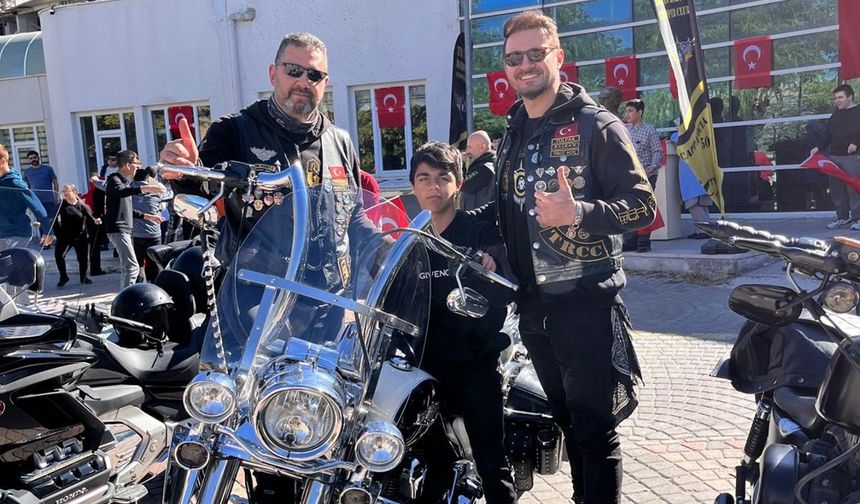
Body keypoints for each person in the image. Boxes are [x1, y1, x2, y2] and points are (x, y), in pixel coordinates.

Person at [492, 11, 654, 503]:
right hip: (533, 306)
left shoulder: (595, 124)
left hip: (584, 303)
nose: (525, 65)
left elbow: (643, 205)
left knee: (593, 430)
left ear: (558, 56)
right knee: (565, 420)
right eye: (514, 58)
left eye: (535, 54)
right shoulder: (514, 129)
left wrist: (579, 211)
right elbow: (506, 208)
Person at [160, 32, 375, 263]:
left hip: (330, 292)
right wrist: (186, 172)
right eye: (293, 70)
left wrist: (390, 252)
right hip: (256, 291)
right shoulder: (234, 130)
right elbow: (200, 192)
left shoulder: (340, 141)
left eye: (314, 74)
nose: (304, 82)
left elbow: (354, 217)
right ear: (273, 74)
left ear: (325, 82)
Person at [410, 141, 517, 504]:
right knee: (426, 462)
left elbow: (507, 287)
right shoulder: (409, 242)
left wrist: (492, 266)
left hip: (475, 363)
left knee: (492, 465)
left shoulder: (480, 233)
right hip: (423, 369)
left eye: (443, 178)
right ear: (413, 186)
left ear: (459, 183)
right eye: (424, 178)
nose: (433, 186)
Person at [102, 150, 164, 288]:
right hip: (118, 228)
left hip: (125, 228)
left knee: (129, 267)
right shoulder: (114, 180)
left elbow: (128, 209)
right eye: (136, 163)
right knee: (132, 267)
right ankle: (125, 301)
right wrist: (145, 188)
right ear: (127, 164)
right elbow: (121, 192)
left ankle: (124, 297)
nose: (138, 167)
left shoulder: (125, 182)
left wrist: (148, 216)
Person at [811, 84, 860, 230]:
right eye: (835, 98)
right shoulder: (836, 114)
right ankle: (843, 217)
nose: (837, 101)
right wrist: (818, 147)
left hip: (853, 157)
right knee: (837, 189)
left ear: (850, 97)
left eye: (840, 97)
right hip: (834, 157)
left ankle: (858, 218)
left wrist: (856, 143)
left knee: (854, 188)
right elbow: (828, 134)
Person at [622, 99, 663, 252]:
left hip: (647, 175)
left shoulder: (649, 130)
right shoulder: (626, 130)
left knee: (645, 206)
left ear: (640, 113)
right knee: (630, 205)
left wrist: (651, 167)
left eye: (631, 111)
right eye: (627, 111)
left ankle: (644, 241)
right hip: (629, 175)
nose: (628, 114)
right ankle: (630, 240)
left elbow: (657, 151)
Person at [0, 144, 53, 250]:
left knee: (9, 266)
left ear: (2, 161)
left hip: (16, 234)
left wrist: (47, 231)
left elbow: (37, 206)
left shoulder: (14, 183)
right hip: (3, 233)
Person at [54, 184, 99, 287]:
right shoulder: (61, 205)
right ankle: (63, 277)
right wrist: (58, 234)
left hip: (80, 236)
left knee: (83, 258)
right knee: (59, 255)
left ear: (74, 192)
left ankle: (84, 278)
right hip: (65, 236)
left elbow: (90, 219)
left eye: (67, 191)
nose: (65, 193)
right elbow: (54, 221)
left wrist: (96, 221)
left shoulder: (82, 206)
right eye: (63, 191)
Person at [131, 166, 164, 282]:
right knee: (154, 265)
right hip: (153, 234)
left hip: (136, 235)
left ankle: (139, 288)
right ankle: (155, 288)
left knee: (137, 265)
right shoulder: (156, 194)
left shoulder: (128, 194)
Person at [22, 150, 60, 228]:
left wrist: (56, 195)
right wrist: (28, 201)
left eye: (35, 157)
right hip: (37, 201)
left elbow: (55, 182)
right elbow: (26, 187)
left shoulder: (48, 169)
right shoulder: (27, 172)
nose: (33, 160)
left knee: (52, 222)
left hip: (49, 200)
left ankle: (56, 239)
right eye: (31, 158)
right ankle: (44, 239)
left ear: (38, 158)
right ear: (29, 160)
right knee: (41, 223)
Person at [461, 130, 497, 211]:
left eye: (470, 147)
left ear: (482, 147)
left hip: (479, 220)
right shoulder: (489, 165)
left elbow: (462, 184)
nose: (467, 151)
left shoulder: (484, 168)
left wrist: (461, 164)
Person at [84, 168, 108, 275]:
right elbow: (100, 206)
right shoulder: (98, 190)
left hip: (91, 218)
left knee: (94, 245)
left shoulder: (90, 191)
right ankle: (95, 269)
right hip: (98, 218)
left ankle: (95, 268)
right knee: (95, 244)